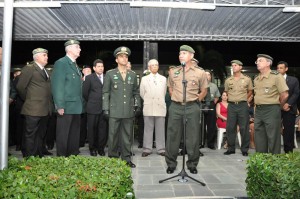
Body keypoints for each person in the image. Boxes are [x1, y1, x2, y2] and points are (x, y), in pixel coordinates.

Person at [165, 45, 208, 174]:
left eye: (183, 53)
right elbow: (170, 87)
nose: (180, 55)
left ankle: (192, 164)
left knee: (193, 137)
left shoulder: (200, 72)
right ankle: (171, 164)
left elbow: (204, 90)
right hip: (176, 107)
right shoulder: (174, 71)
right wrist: (174, 96)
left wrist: (196, 100)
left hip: (192, 107)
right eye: (179, 53)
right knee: (173, 136)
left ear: (191, 56)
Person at [102, 46, 141, 168]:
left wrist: (137, 105)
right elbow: (106, 92)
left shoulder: (133, 75)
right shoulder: (110, 74)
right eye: (121, 56)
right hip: (114, 110)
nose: (124, 58)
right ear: (116, 60)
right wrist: (105, 108)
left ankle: (126, 158)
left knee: (127, 136)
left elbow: (135, 92)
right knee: (112, 135)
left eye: (126, 56)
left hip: (128, 110)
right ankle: (113, 158)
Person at [16, 48, 52, 157]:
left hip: (45, 108)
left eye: (46, 55)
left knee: (40, 134)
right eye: (44, 55)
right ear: (36, 57)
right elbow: (20, 87)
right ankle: (28, 155)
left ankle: (38, 153)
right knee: (30, 134)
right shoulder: (29, 68)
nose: (47, 57)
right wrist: (29, 99)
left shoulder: (45, 70)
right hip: (33, 108)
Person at [51, 39, 83, 157]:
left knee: (74, 134)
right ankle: (62, 157)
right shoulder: (61, 63)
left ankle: (72, 155)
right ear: (69, 49)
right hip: (66, 106)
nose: (80, 49)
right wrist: (59, 105)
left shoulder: (74, 64)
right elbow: (57, 86)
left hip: (76, 106)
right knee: (63, 134)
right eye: (77, 47)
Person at [254, 54, 289, 154]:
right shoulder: (256, 79)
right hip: (259, 110)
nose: (257, 63)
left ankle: (274, 163)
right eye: (257, 61)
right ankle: (261, 162)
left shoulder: (276, 76)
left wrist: (279, 106)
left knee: (273, 137)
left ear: (268, 63)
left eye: (260, 60)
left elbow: (285, 94)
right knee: (259, 137)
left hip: (272, 109)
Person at [224, 60, 253, 156]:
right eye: (232, 65)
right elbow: (227, 92)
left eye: (235, 65)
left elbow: (250, 91)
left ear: (240, 67)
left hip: (242, 105)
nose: (233, 67)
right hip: (231, 105)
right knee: (230, 127)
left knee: (244, 127)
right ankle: (230, 148)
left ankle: (244, 149)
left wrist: (244, 99)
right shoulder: (228, 80)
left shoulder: (247, 79)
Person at [140, 59, 167, 157]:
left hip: (160, 106)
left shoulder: (163, 79)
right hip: (149, 106)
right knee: (148, 129)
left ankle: (161, 149)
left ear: (158, 67)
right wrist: (149, 100)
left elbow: (164, 92)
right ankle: (147, 149)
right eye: (152, 65)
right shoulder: (144, 79)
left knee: (160, 129)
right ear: (149, 67)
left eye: (156, 65)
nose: (155, 67)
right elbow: (142, 93)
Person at [83, 59, 107, 156]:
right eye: (99, 66)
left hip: (104, 108)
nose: (101, 68)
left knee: (103, 129)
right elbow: (85, 93)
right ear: (94, 68)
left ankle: (101, 148)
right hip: (92, 108)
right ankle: (92, 148)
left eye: (102, 66)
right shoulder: (89, 78)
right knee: (92, 129)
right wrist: (92, 101)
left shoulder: (106, 77)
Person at [276, 61, 299, 153]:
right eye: (278, 68)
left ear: (286, 69)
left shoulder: (293, 80)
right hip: (276, 108)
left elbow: (296, 93)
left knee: (288, 131)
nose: (279, 69)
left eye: (281, 68)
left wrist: (288, 104)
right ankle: (274, 152)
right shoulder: (273, 80)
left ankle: (288, 152)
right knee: (274, 130)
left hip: (289, 109)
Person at [203, 69, 220, 150]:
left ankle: (211, 144)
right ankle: (201, 143)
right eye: (205, 74)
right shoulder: (200, 84)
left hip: (211, 105)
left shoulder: (214, 85)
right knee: (201, 125)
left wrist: (212, 104)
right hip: (201, 105)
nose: (207, 76)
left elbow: (217, 96)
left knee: (211, 126)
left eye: (208, 75)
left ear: (211, 76)